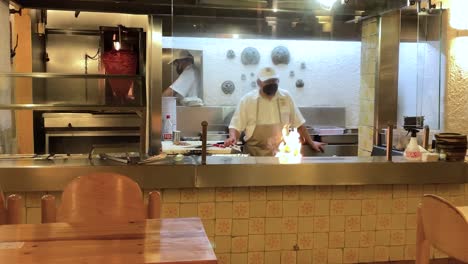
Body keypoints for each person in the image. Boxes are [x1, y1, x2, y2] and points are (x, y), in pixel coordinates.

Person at [224, 67, 325, 156]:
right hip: (253, 154)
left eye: (274, 81)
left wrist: (311, 143)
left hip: (281, 153)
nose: (271, 84)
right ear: (259, 82)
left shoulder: (286, 97)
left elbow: (299, 123)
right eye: (268, 82)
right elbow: (236, 126)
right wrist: (232, 137)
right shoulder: (247, 100)